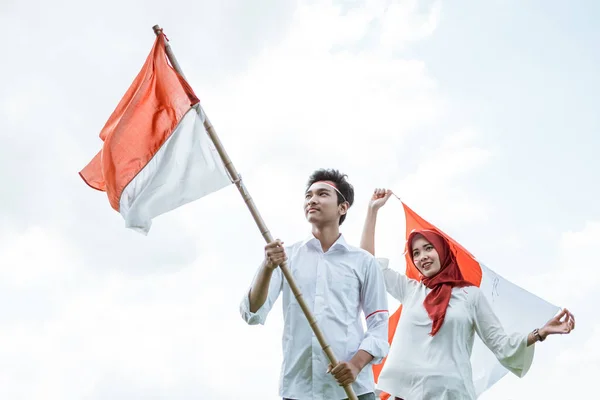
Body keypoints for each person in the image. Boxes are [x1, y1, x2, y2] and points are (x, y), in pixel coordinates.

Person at [360, 188, 576, 400]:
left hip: (451, 393)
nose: (422, 256)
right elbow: (367, 264)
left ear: (442, 252)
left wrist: (541, 333)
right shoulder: (411, 290)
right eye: (416, 253)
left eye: (428, 248)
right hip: (405, 394)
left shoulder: (470, 295)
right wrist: (372, 211)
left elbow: (501, 344)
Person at [239, 169, 390, 400]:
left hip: (353, 391)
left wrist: (356, 365)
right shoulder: (286, 256)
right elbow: (253, 312)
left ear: (343, 207)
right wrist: (267, 267)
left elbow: (379, 325)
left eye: (322, 194)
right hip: (299, 390)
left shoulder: (364, 262)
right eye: (308, 195)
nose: (312, 200)